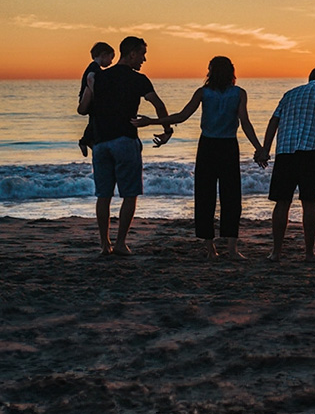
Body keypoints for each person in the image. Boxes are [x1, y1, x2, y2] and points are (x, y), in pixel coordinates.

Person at [135, 56, 263, 259]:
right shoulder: (238, 93)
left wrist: (152, 121)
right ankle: (232, 249)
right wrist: (259, 148)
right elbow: (245, 123)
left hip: (208, 147)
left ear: (211, 72)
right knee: (231, 197)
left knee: (205, 196)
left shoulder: (204, 92)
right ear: (231, 72)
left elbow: (181, 116)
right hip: (228, 146)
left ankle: (210, 248)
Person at [77, 36, 173, 255]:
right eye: (142, 54)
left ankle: (104, 245)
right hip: (125, 141)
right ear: (131, 54)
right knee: (129, 194)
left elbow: (83, 109)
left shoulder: (98, 77)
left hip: (101, 143)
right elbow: (158, 104)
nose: (144, 59)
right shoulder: (138, 79)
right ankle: (120, 243)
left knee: (104, 195)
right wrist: (167, 130)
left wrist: (91, 88)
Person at [256, 66, 315, 262]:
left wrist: (265, 149)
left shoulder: (290, 93)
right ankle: (309, 253)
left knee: (282, 202)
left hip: (285, 151)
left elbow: (273, 121)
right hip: (311, 150)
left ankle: (275, 252)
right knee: (309, 202)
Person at [78, 41, 115, 156]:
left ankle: (87, 140)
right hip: (89, 99)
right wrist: (97, 93)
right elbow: (90, 78)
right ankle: (85, 140)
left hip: (89, 98)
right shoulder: (94, 67)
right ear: (103, 55)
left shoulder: (93, 67)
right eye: (111, 58)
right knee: (95, 119)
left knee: (94, 120)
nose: (111, 62)